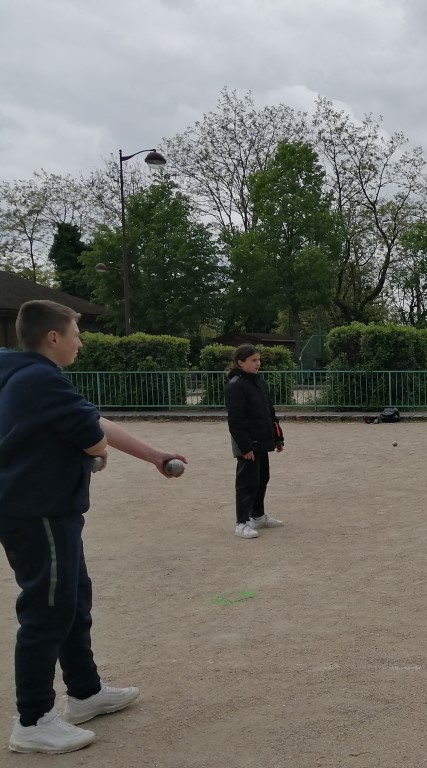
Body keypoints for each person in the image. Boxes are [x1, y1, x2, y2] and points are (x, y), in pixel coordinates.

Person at [0, 300, 186, 754]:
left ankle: (84, 692)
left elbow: (92, 422)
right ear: (53, 339)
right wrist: (95, 456)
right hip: (38, 510)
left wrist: (153, 455)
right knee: (46, 610)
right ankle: (33, 719)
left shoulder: (16, 370)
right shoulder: (43, 379)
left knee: (72, 598)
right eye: (76, 335)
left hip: (43, 508)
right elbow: (93, 440)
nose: (81, 342)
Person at [225, 344, 285, 540]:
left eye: (259, 359)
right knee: (247, 482)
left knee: (262, 478)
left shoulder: (260, 382)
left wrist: (277, 437)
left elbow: (269, 412)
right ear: (240, 363)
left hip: (263, 439)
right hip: (247, 443)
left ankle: (258, 516)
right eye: (253, 360)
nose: (258, 363)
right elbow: (235, 421)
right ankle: (241, 523)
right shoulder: (235, 385)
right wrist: (245, 446)